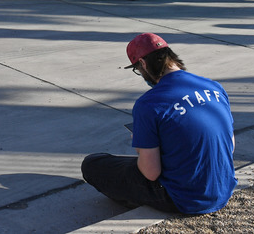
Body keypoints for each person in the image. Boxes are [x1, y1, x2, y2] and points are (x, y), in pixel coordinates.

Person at [81, 33, 236, 215]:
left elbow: (151, 173)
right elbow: (230, 145)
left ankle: (137, 200)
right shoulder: (214, 87)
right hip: (224, 189)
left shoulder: (149, 103)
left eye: (138, 69)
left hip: (184, 199)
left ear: (143, 64)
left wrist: (141, 146)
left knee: (93, 164)